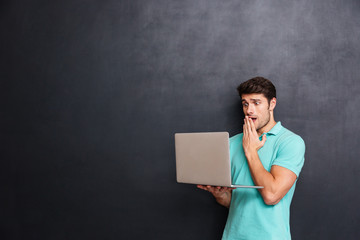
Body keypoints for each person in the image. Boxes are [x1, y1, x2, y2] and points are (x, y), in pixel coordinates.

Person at [197, 77, 305, 240]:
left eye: (256, 102)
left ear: (272, 104)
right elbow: (237, 204)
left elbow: (271, 195)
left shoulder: (290, 142)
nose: (249, 110)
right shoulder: (231, 143)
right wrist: (221, 196)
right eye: (245, 103)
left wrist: (250, 151)